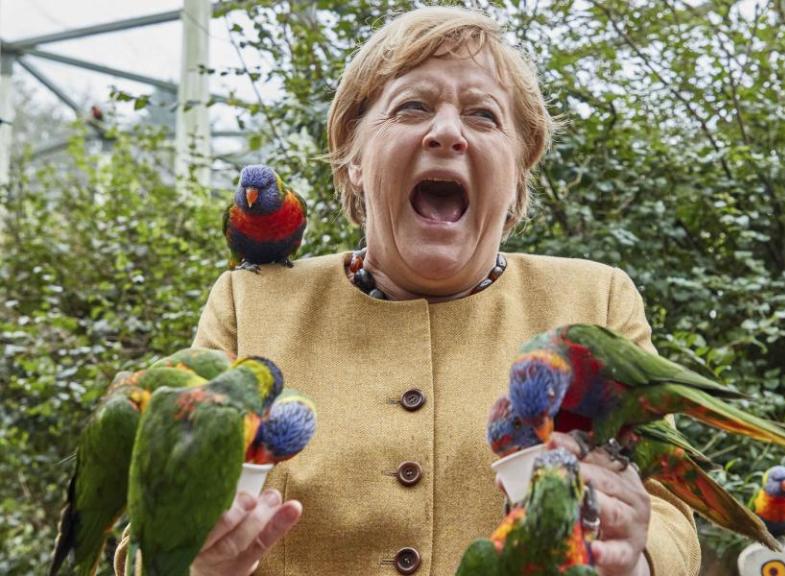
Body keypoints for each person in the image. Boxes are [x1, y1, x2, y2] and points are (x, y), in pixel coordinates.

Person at [117, 6, 701, 576]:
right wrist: (192, 560)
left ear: (520, 171)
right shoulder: (250, 304)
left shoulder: (594, 302)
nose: (446, 132)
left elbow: (672, 516)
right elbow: (146, 530)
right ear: (353, 160)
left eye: (484, 116)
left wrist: (636, 557)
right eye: (412, 107)